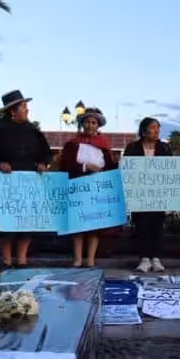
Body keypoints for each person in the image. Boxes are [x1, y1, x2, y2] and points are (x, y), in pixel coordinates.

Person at [0, 90, 51, 269]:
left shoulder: (33, 130)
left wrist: (43, 163)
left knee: (26, 224)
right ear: (13, 111)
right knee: (7, 224)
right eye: (24, 107)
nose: (27, 110)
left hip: (28, 183)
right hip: (5, 183)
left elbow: (45, 152)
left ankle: (22, 259)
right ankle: (7, 260)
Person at [59, 107, 117, 268]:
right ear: (82, 124)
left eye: (94, 122)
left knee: (95, 226)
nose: (90, 125)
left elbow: (110, 167)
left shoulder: (104, 145)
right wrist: (85, 167)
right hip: (78, 188)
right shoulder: (72, 144)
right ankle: (77, 259)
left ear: (98, 125)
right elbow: (66, 165)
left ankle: (90, 259)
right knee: (78, 225)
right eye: (87, 122)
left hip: (97, 189)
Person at [124, 117, 173, 273]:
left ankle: (156, 258)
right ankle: (144, 258)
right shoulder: (132, 147)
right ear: (144, 130)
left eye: (158, 127)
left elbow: (171, 169)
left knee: (157, 225)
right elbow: (127, 169)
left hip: (158, 194)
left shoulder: (165, 148)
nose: (157, 130)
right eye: (153, 127)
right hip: (140, 194)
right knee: (142, 224)